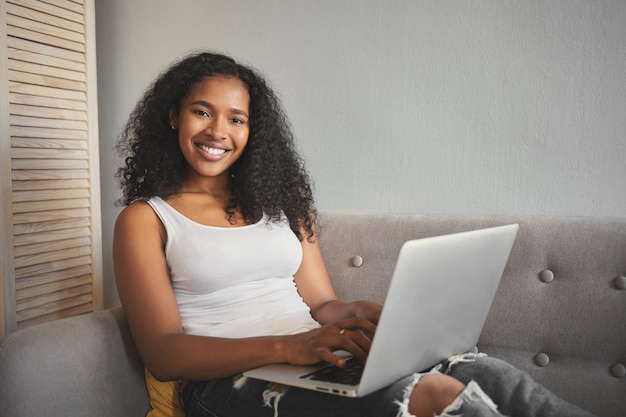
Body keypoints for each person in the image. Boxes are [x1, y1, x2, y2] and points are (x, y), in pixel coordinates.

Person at [113, 51, 597, 417]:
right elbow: (164, 351)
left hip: (314, 359)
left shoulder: (284, 197)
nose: (218, 130)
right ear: (175, 116)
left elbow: (322, 303)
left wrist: (363, 316)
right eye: (202, 112)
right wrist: (289, 347)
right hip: (221, 384)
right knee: (432, 396)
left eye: (236, 119)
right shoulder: (147, 219)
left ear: (251, 131)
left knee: (489, 373)